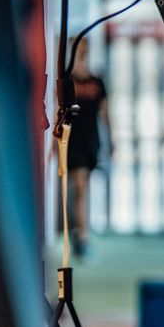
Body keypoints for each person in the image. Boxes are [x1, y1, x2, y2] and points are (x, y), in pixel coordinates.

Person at [65, 59, 108, 257]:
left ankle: (82, 230)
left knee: (84, 188)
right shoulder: (67, 80)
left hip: (91, 139)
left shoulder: (97, 82)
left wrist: (111, 139)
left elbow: (106, 112)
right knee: (79, 187)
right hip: (73, 139)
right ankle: (82, 235)